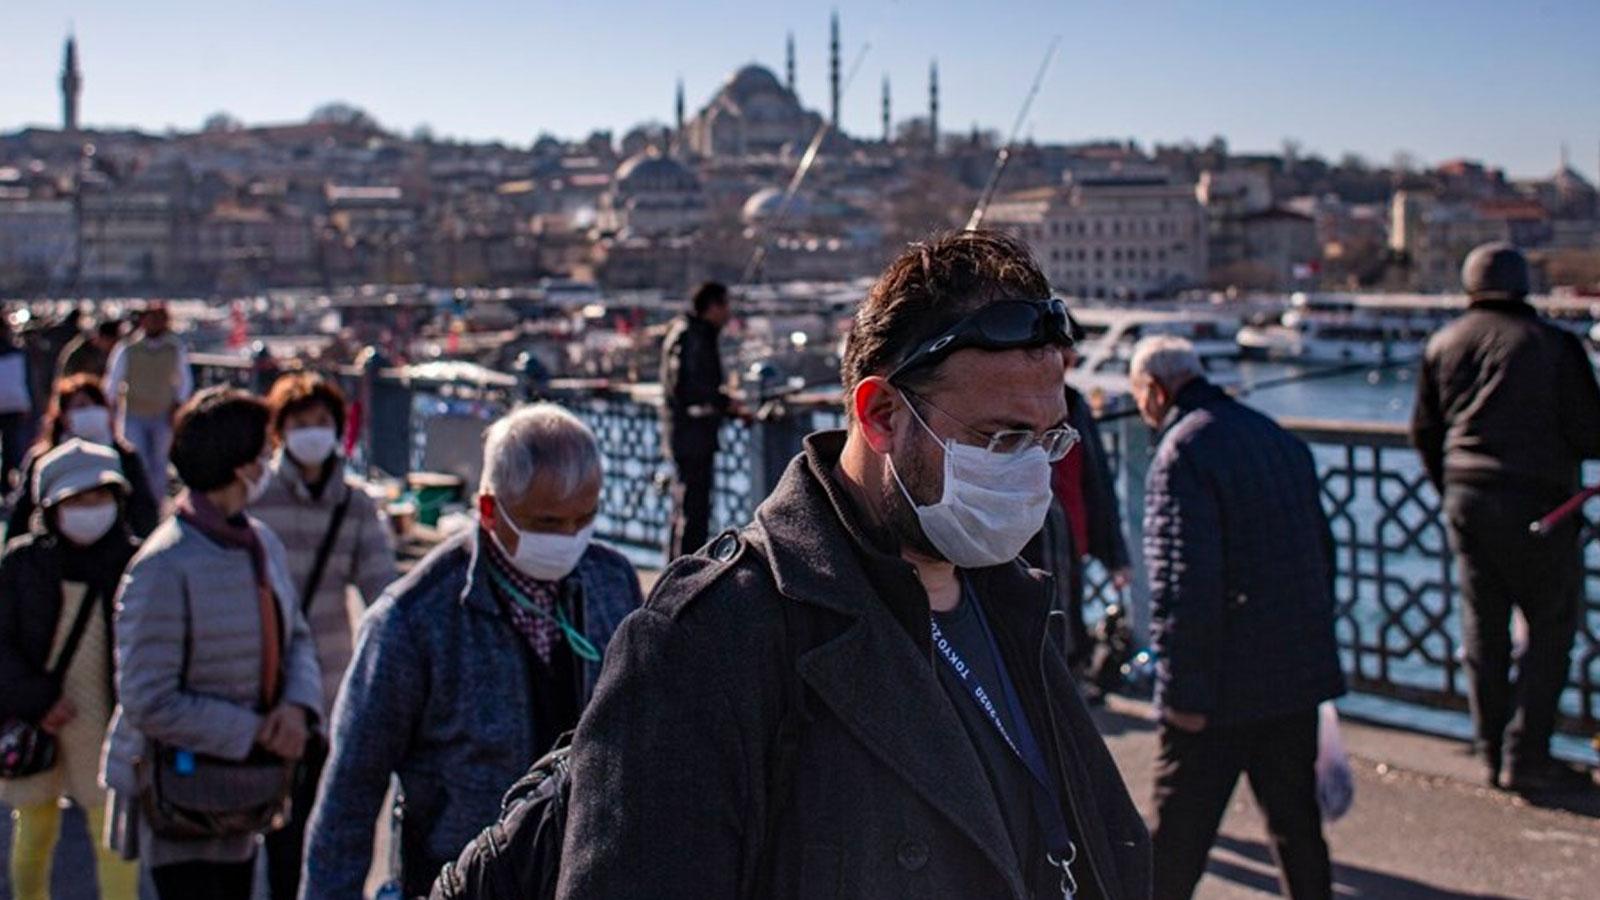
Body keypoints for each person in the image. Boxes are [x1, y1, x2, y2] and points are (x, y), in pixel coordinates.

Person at [558, 230, 1150, 899]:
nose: (1031, 470)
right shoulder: (706, 647)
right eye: (1002, 439)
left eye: (1049, 440)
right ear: (881, 415)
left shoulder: (1016, 604)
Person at [301, 404, 643, 899]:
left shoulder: (611, 581)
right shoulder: (413, 620)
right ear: (489, 509)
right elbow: (350, 794)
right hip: (459, 881)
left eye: (584, 518)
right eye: (548, 522)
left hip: (587, 873)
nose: (569, 538)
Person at [1130, 335, 1344, 900]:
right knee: (1298, 829)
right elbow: (1323, 555)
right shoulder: (1275, 437)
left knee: (1175, 844)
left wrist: (1181, 693)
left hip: (1220, 686)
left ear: (1155, 390)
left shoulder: (1182, 451)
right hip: (1294, 675)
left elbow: (1183, 582)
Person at [100, 387, 323, 900]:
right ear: (239, 465)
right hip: (185, 800)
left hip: (250, 794)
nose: (270, 461)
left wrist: (297, 708)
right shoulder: (162, 566)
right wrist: (255, 732)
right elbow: (147, 698)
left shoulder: (260, 542)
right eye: (262, 452)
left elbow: (296, 638)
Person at [1411, 242, 1600, 793]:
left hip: (1467, 499)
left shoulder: (1443, 342)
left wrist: (1449, 485)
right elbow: (1591, 432)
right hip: (1540, 503)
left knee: (1482, 626)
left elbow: (1424, 431)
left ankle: (1491, 749)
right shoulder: (1553, 345)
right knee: (1550, 625)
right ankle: (1527, 752)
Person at [249, 371, 398, 900]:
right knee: (269, 821)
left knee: (319, 820)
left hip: (330, 682)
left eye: (322, 422)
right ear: (279, 431)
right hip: (263, 680)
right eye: (300, 423)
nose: (313, 432)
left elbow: (382, 588)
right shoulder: (255, 498)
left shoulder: (354, 503)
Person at [0, 439, 143, 900]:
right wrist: (35, 699)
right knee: (35, 830)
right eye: (77, 500)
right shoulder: (21, 564)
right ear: (51, 505)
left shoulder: (136, 563)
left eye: (100, 497)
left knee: (113, 838)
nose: (90, 509)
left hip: (106, 719)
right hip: (36, 716)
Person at [1025, 353, 1131, 672]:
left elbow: (1095, 479)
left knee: (1065, 634)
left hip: (1068, 538)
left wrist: (1115, 555)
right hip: (1031, 542)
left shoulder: (1074, 403)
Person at [7, 374, 161, 538]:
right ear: (63, 416)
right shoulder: (42, 460)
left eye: (97, 405)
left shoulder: (125, 457)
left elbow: (143, 509)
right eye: (81, 406)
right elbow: (22, 515)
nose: (91, 412)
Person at [659, 281, 743, 559]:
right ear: (712, 306)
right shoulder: (692, 336)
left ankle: (677, 569)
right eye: (725, 305)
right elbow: (689, 388)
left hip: (688, 434)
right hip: (692, 436)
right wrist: (724, 403)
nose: (728, 313)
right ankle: (686, 576)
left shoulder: (687, 332)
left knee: (685, 507)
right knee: (693, 511)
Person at [105, 302, 192, 501]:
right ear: (143, 321)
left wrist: (177, 405)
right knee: (138, 460)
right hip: (134, 412)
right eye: (151, 318)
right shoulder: (128, 348)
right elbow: (113, 381)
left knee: (160, 464)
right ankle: (139, 503)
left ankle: (156, 503)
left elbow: (184, 381)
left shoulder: (174, 349)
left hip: (163, 413)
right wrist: (109, 408)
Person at [0, 311, 32, 498]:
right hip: (14, 404)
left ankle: (6, 486)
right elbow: (26, 379)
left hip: (13, 404)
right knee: (12, 446)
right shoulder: (17, 351)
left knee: (11, 446)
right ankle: (7, 486)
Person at [59, 319, 123, 380]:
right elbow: (61, 383)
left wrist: (93, 380)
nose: (112, 345)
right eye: (108, 340)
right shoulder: (82, 349)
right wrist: (81, 379)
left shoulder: (122, 352)